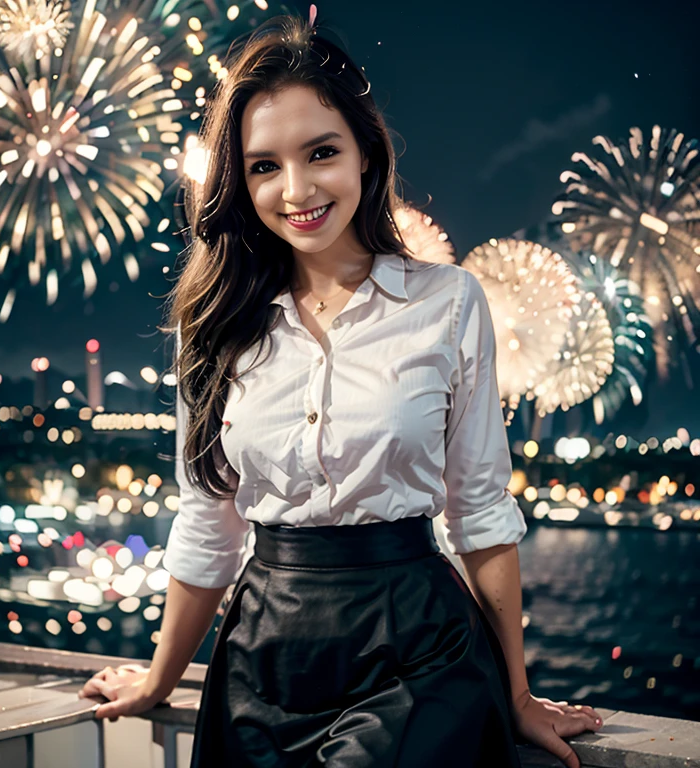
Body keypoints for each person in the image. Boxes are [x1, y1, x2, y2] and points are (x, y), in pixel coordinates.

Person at [79, 10, 603, 767]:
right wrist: (160, 680)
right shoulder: (217, 323)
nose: (296, 189)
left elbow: (481, 508)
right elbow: (208, 525)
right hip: (263, 659)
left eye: (321, 152)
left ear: (366, 154)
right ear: (240, 179)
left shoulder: (448, 302)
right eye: (264, 166)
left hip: (417, 649)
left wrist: (517, 697)